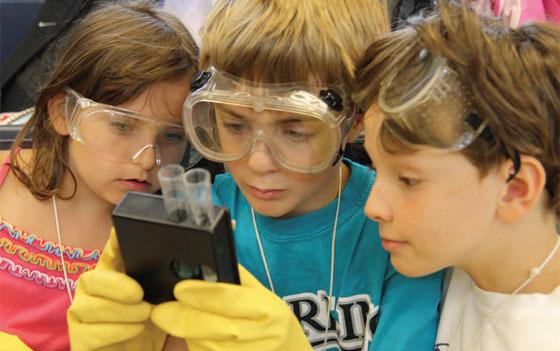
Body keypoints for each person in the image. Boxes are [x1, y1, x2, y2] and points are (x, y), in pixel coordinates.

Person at [67, 0, 445, 350]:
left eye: (296, 132)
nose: (259, 162)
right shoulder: (190, 217)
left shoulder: (396, 229)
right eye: (235, 124)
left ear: (353, 122)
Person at [352, 2, 560, 350]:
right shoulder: (455, 262)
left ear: (514, 190)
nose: (372, 207)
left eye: (408, 180)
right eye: (375, 168)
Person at [0, 1, 200, 350]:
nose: (148, 159)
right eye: (122, 125)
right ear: (64, 113)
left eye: (171, 136)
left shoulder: (170, 243)